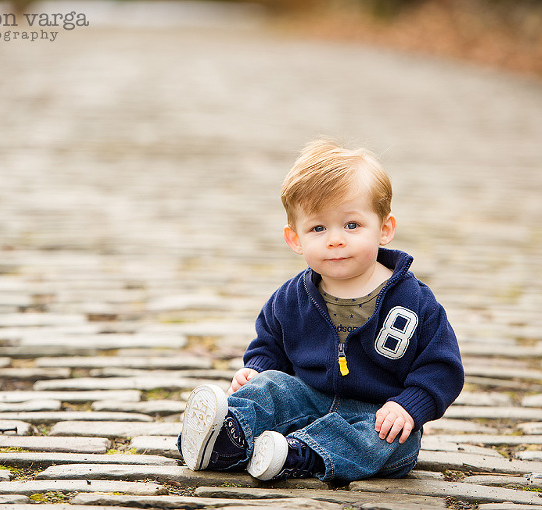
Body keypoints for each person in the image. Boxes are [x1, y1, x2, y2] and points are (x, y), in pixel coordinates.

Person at [179, 139, 464, 483]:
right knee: (270, 387)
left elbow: (442, 366)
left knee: (393, 444)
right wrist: (256, 369)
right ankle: (225, 438)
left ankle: (302, 455)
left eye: (352, 225)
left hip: (375, 415)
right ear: (295, 239)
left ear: (384, 229)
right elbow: (270, 345)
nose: (335, 239)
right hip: (307, 400)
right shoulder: (290, 299)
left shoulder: (416, 302)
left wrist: (408, 406)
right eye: (318, 228)